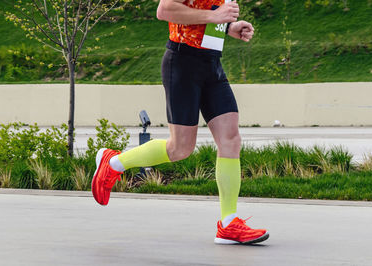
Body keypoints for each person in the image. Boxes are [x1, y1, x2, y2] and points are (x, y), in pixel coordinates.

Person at [91, 0, 269, 245]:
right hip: (183, 63)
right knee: (180, 149)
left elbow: (207, 15)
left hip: (212, 65)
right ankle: (113, 163)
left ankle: (228, 223)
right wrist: (214, 17)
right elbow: (164, 10)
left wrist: (228, 27)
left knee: (231, 139)